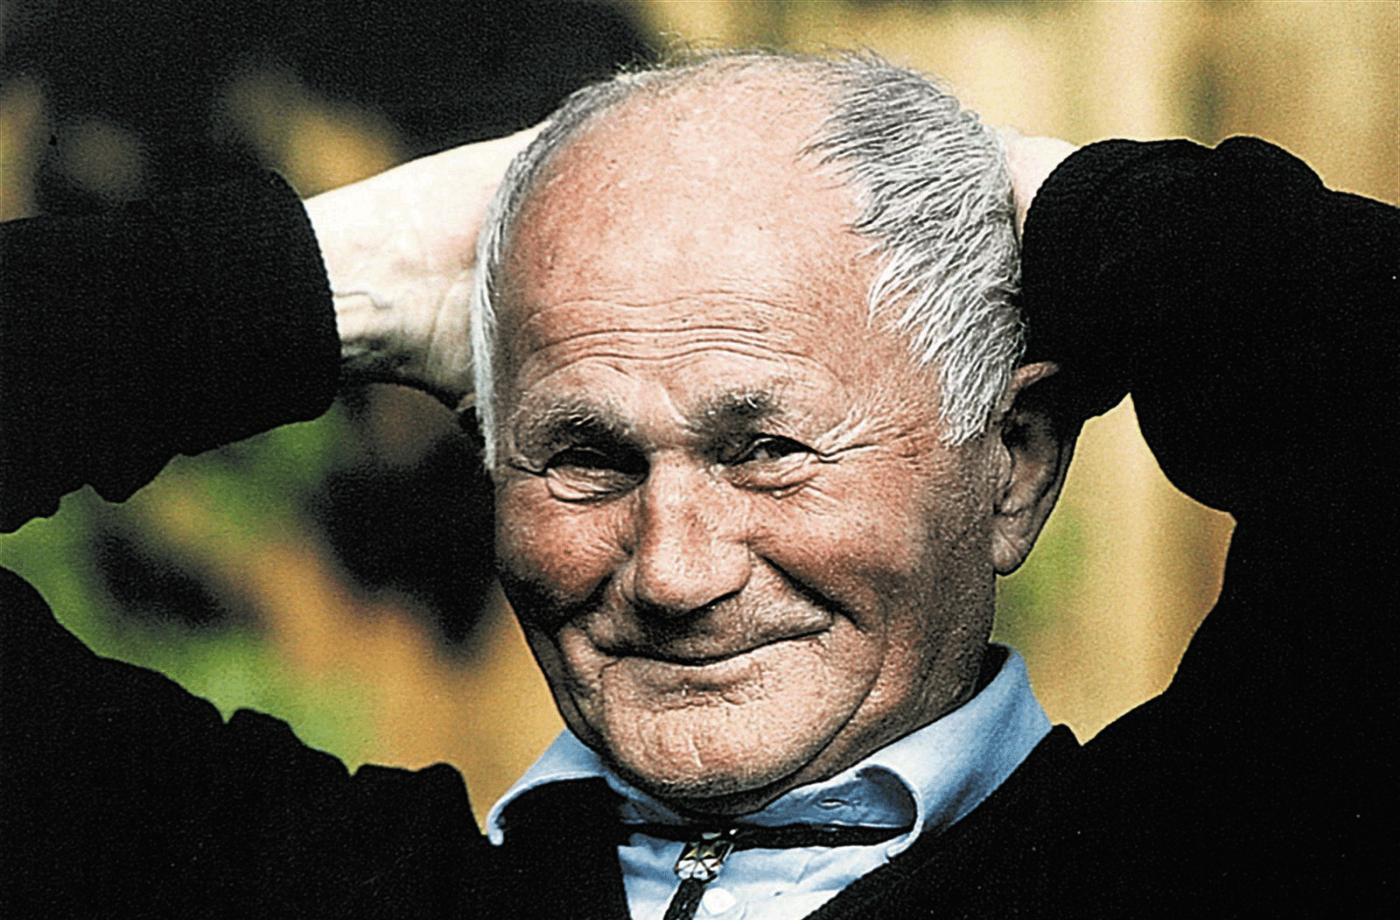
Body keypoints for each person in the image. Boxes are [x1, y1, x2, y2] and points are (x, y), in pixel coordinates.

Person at [2, 50, 1394, 918]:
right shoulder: (290, 883)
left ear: (1013, 467)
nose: (673, 570)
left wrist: (1072, 206)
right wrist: (340, 280)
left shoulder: (1235, 855)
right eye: (585, 457)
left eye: (769, 450)